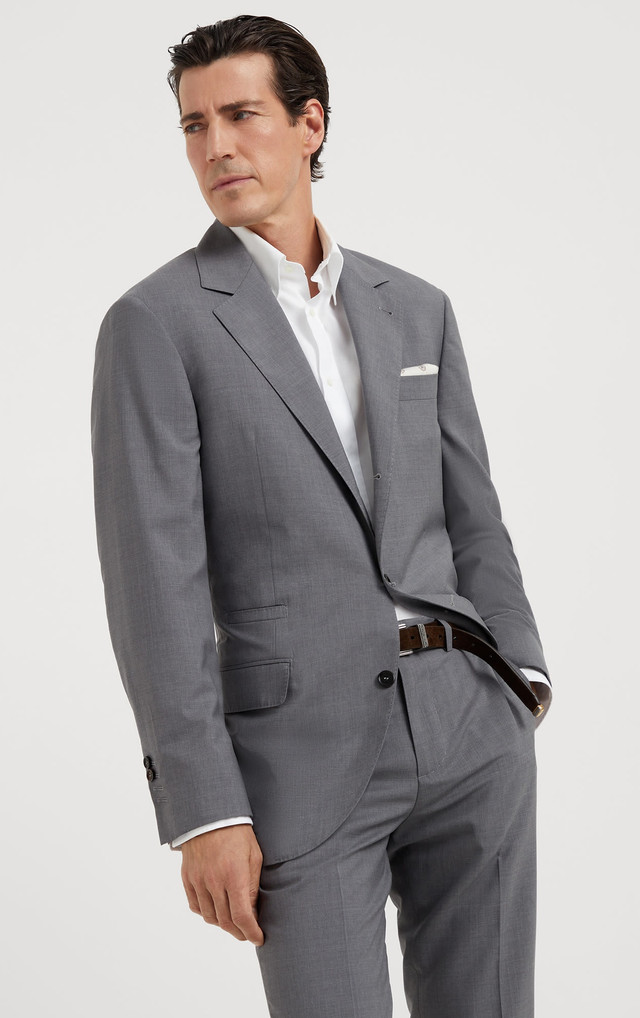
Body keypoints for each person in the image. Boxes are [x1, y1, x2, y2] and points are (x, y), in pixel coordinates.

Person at [91, 15, 551, 1017]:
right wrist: (202, 808)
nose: (215, 146)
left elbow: (473, 515)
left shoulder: (414, 306)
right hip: (299, 759)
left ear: (310, 124)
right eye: (193, 125)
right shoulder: (156, 324)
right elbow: (152, 583)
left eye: (240, 115)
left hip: (470, 728)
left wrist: (520, 675)